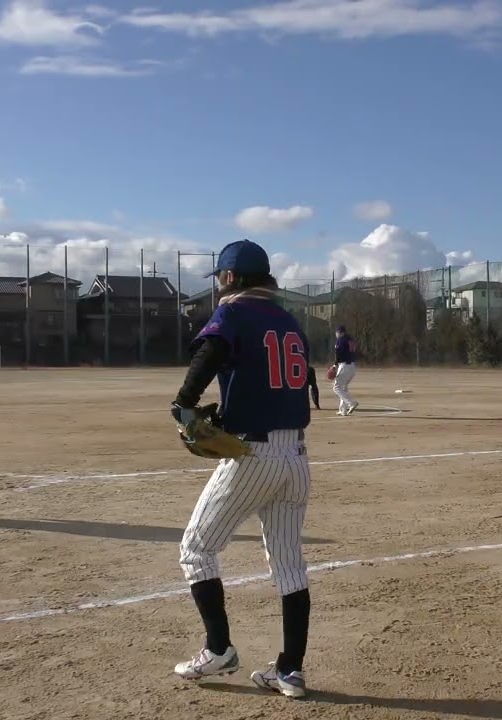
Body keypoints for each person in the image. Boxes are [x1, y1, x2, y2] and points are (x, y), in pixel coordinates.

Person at [170, 239, 313, 699]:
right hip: (297, 457)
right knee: (290, 566)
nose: (218, 285)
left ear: (230, 277)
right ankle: (290, 671)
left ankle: (219, 650)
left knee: (196, 549)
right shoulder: (289, 320)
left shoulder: (234, 310)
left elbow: (210, 350)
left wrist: (185, 403)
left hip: (255, 457)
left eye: (220, 277)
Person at [329, 325, 358, 416]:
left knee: (336, 387)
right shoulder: (351, 339)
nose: (336, 334)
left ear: (340, 332)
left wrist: (335, 364)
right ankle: (343, 410)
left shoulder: (340, 340)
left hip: (345, 365)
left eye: (336, 332)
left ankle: (351, 403)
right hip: (352, 366)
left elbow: (338, 353)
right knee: (343, 388)